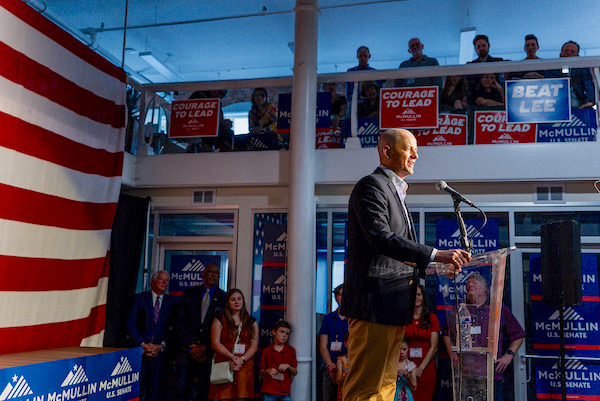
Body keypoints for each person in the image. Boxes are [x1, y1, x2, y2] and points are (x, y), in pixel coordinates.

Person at [341, 128, 471, 401]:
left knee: (386, 386)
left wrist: (436, 267)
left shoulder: (395, 191)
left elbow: (397, 255)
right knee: (366, 388)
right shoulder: (371, 186)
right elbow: (381, 239)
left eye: (416, 148)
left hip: (391, 307)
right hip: (373, 307)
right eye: (408, 148)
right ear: (387, 151)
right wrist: (437, 254)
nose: (416, 154)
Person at [442, 273, 525, 401]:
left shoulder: (497, 309)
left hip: (491, 374)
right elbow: (446, 334)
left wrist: (508, 355)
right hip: (466, 374)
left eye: (474, 282)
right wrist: (452, 353)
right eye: (468, 283)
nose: (470, 284)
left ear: (485, 288)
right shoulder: (460, 309)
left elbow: (519, 334)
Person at [175, 264, 227, 401]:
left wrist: (205, 348)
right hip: (187, 351)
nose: (213, 275)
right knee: (182, 389)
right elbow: (179, 322)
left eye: (217, 273)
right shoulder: (189, 294)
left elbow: (224, 329)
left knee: (205, 391)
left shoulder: (224, 298)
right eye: (210, 272)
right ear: (203, 274)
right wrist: (192, 346)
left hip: (208, 355)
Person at [126, 271, 177, 401]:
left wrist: (161, 347)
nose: (164, 282)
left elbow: (175, 329)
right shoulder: (139, 299)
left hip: (161, 357)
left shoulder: (173, 303)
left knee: (156, 392)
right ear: (152, 282)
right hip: (140, 353)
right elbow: (130, 324)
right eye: (161, 279)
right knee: (138, 390)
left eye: (167, 280)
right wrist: (143, 344)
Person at [209, 289, 259, 400]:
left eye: (239, 299)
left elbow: (254, 344)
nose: (236, 302)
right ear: (228, 302)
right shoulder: (220, 318)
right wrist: (232, 357)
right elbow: (215, 343)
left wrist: (242, 360)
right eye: (233, 299)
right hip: (224, 362)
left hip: (244, 365)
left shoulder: (251, 321)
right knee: (224, 397)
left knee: (242, 396)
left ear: (243, 301)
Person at [404, 285, 440, 401]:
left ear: (424, 297)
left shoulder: (432, 318)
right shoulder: (405, 318)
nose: (416, 297)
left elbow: (433, 347)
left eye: (419, 294)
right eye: (413, 295)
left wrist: (420, 368)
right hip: (407, 368)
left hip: (426, 368)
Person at [319, 285, 349, 401]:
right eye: (341, 295)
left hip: (348, 365)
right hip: (331, 365)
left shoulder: (353, 319)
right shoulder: (328, 318)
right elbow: (323, 345)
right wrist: (330, 364)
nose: (344, 298)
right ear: (336, 297)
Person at [547, 40, 596, 109]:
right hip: (556, 109)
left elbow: (590, 92)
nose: (568, 53)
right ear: (560, 54)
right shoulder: (552, 70)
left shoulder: (583, 70)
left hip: (579, 109)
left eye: (572, 52)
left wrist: (582, 107)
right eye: (566, 51)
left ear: (577, 56)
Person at [259, 320, 298, 401]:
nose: (284, 335)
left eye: (287, 334)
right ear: (274, 332)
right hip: (269, 390)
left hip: (284, 391)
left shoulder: (291, 350)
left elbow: (295, 372)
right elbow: (261, 371)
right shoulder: (267, 350)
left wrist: (288, 366)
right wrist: (268, 371)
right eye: (282, 332)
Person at [467, 35, 505, 103]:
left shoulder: (498, 62)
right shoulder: (471, 65)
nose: (481, 48)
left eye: (484, 45)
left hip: (497, 97)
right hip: (476, 100)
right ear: (475, 49)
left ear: (488, 45)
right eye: (478, 46)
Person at [335, 333, 350, 401]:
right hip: (344, 394)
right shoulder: (341, 360)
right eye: (351, 342)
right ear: (345, 344)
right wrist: (347, 374)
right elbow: (338, 381)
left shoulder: (361, 359)